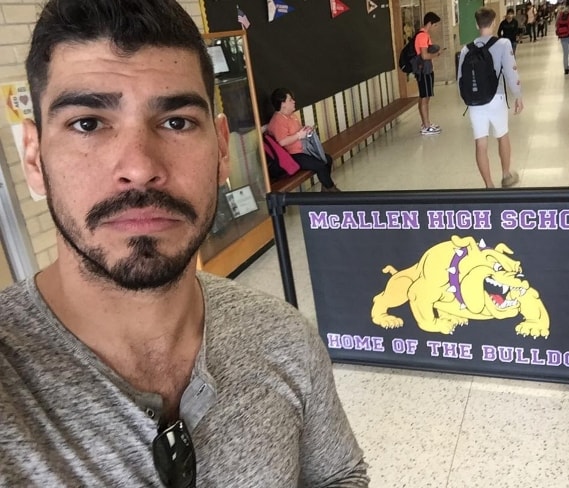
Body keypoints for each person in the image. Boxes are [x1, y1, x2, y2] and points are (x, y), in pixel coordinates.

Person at [0, 0, 368, 486]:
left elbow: (338, 475)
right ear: (34, 158)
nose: (139, 166)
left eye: (176, 122)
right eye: (88, 123)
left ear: (220, 149)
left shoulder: (284, 338)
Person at [457, 7, 523, 189]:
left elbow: (460, 81)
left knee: (480, 143)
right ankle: (506, 175)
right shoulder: (503, 44)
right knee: (502, 136)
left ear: (477, 25)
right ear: (494, 23)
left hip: (475, 101)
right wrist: (518, 95)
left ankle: (488, 185)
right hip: (497, 97)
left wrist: (469, 99)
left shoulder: (465, 50)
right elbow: (511, 72)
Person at [267, 88, 340, 191]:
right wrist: (299, 135)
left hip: (303, 149)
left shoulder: (291, 116)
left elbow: (298, 131)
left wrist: (306, 130)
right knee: (320, 165)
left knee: (327, 159)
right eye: (290, 100)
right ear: (283, 104)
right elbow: (282, 142)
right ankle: (332, 190)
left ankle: (325, 188)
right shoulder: (278, 120)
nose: (294, 102)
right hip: (293, 155)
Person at [414, 11, 443, 135]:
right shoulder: (422, 36)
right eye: (435, 25)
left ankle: (425, 123)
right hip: (423, 71)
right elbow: (424, 55)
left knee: (425, 96)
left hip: (426, 70)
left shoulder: (424, 35)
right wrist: (436, 54)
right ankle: (426, 126)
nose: (436, 28)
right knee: (425, 97)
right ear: (430, 23)